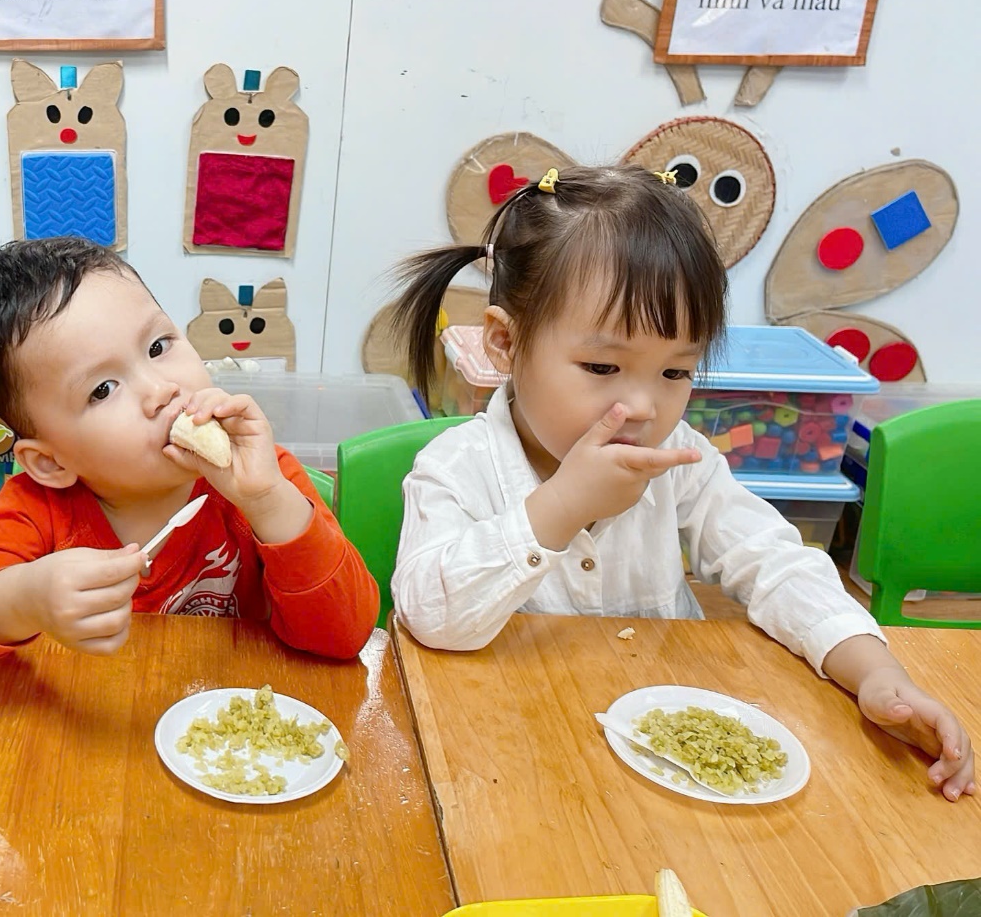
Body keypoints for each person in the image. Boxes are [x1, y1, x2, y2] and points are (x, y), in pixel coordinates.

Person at [389, 164, 974, 801]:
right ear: (505, 342)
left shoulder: (681, 459)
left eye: (675, 373)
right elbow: (432, 618)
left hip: (666, 759)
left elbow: (774, 562)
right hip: (514, 758)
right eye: (602, 366)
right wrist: (561, 506)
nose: (644, 406)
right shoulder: (455, 467)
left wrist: (875, 672)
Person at [0, 237, 378, 668]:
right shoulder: (37, 511)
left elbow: (345, 633)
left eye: (158, 346)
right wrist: (25, 600)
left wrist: (268, 501)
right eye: (103, 389)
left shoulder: (264, 475)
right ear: (51, 462)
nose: (161, 390)